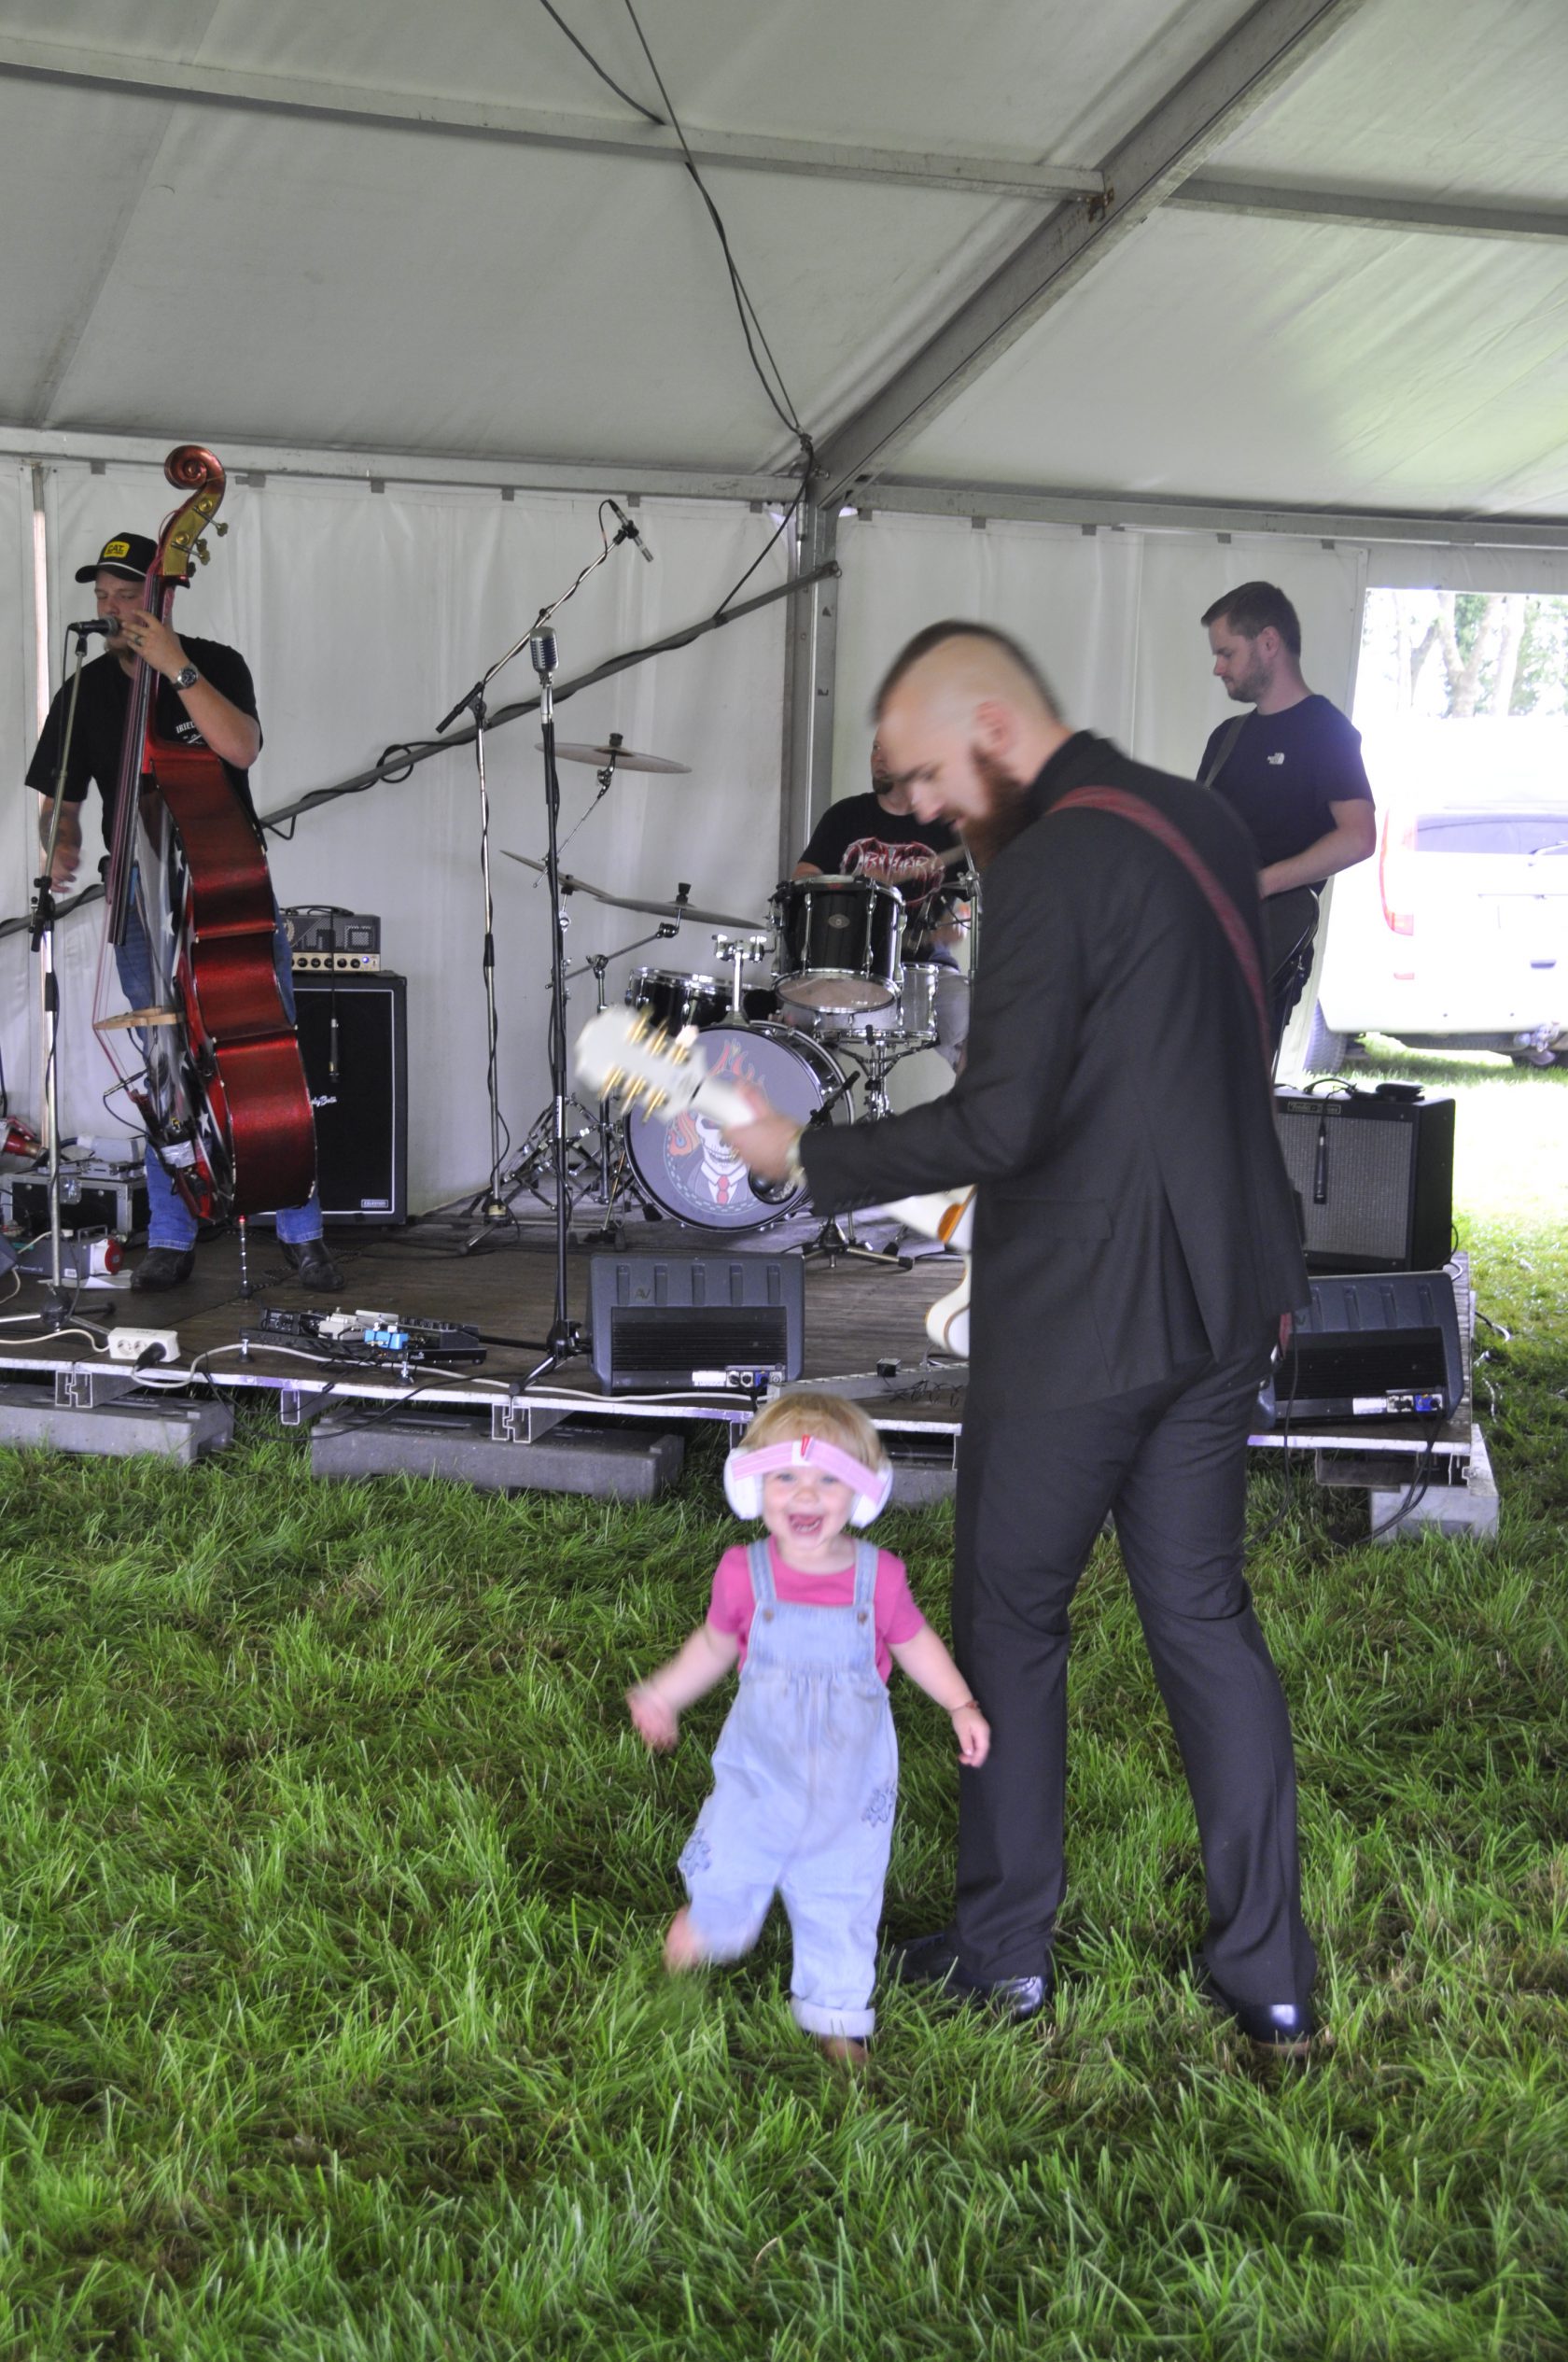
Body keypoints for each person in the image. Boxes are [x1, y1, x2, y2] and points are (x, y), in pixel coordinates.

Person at [725, 622, 1319, 2051]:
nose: (921, 811)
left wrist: (808, 1153)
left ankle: (1003, 1956)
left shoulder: (1049, 861)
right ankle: (1272, 1974)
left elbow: (1000, 1120)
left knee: (1009, 1618)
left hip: (1091, 1305)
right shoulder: (1199, 814)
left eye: (925, 774)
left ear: (992, 724)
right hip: (1230, 1281)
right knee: (1205, 1619)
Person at [626, 1390, 989, 2062]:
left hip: (850, 1781)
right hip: (761, 1763)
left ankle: (837, 2014)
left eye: (828, 1479)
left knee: (843, 1891)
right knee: (734, 1850)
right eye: (785, 1476)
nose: (805, 1494)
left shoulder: (880, 1579)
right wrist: (664, 1694)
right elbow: (714, 1646)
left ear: (863, 1495)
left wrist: (959, 1703)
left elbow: (914, 1643)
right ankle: (711, 1923)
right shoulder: (744, 1574)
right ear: (752, 1487)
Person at [28, 531, 341, 1293]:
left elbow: (241, 748)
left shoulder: (215, 663)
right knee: (165, 1066)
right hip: (138, 897)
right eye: (102, 597)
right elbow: (58, 803)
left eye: (126, 595)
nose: (111, 609)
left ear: (162, 596)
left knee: (268, 1055)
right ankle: (172, 1233)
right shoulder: (84, 692)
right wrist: (60, 840)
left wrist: (175, 666)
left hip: (225, 888)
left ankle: (302, 1232)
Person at [1200, 581, 1377, 1053]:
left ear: (1269, 642)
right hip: (1206, 944)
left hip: (1266, 952)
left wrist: (1262, 883)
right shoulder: (1227, 738)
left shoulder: (1327, 732)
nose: (1217, 667)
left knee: (1235, 1084)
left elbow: (1359, 837)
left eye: (1226, 653)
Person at [794, 737, 971, 1069]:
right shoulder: (846, 815)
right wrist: (853, 884)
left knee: (976, 1022)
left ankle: (978, 1103)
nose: (878, 757)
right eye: (875, 747)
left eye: (889, 749)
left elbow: (963, 902)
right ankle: (809, 1098)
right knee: (796, 1018)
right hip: (848, 967)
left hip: (926, 969)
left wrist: (956, 921)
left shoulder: (946, 827)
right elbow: (803, 877)